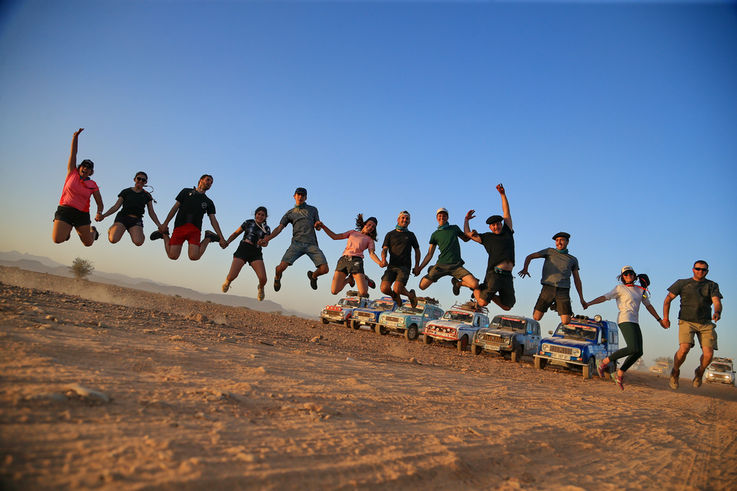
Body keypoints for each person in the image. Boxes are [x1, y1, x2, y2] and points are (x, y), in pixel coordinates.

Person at [584, 266, 666, 390]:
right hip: (624, 319)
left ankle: (620, 373)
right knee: (632, 347)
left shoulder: (641, 290)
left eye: (631, 273)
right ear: (622, 277)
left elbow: (648, 305)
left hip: (635, 321)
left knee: (639, 351)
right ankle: (604, 362)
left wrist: (659, 319)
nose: (628, 275)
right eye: (626, 274)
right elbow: (605, 297)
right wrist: (589, 303)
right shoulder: (619, 288)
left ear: (634, 275)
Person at [662, 260, 723, 390]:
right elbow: (667, 300)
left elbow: (716, 301)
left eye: (703, 270)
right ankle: (675, 371)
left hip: (705, 323)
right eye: (698, 269)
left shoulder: (712, 285)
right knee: (684, 348)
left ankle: (699, 372)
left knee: (708, 354)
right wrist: (665, 318)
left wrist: (717, 312)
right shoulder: (682, 283)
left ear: (707, 271)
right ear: (693, 269)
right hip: (686, 321)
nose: (700, 271)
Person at [259, 187, 328, 292]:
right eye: (298, 194)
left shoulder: (313, 210)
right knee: (280, 268)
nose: (300, 196)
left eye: (302, 195)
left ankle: (313, 276)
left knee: (324, 269)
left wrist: (318, 225)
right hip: (297, 244)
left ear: (305, 197)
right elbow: (279, 228)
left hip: (311, 244)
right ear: (294, 196)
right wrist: (267, 238)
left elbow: (317, 227)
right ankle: (277, 277)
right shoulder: (290, 213)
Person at [149, 174, 226, 260]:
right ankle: (164, 234)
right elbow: (174, 208)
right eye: (208, 180)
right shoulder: (185, 192)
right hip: (180, 226)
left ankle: (209, 237)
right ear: (201, 180)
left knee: (194, 256)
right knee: (172, 256)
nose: (209, 183)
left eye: (211, 182)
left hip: (194, 230)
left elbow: (213, 220)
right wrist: (165, 224)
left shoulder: (208, 202)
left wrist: (221, 238)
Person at [464, 183, 515, 310]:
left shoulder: (508, 230)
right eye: (493, 225)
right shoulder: (487, 237)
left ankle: (483, 290)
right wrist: (466, 220)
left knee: (508, 306)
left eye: (498, 224)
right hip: (494, 274)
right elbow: (468, 234)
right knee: (482, 303)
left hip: (508, 276)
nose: (496, 227)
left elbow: (506, 211)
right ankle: (475, 287)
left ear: (501, 224)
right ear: (490, 227)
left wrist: (503, 195)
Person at [518, 232, 584, 325]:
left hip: (563, 290)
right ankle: (554, 304)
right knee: (536, 317)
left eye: (562, 240)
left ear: (567, 242)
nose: (559, 242)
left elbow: (577, 279)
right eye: (557, 240)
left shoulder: (572, 260)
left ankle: (558, 304)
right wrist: (525, 268)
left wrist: (581, 298)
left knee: (566, 321)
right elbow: (530, 257)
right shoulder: (549, 251)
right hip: (548, 288)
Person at [52, 128, 103, 246]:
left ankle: (93, 232)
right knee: (57, 239)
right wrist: (75, 138)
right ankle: (66, 231)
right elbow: (73, 153)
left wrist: (99, 212)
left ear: (91, 172)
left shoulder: (93, 185)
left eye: (89, 168)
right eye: (84, 166)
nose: (86, 168)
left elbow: (100, 203)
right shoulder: (72, 173)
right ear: (80, 167)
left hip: (82, 214)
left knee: (88, 243)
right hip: (65, 210)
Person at [415, 208, 479, 295]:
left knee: (475, 284)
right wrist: (420, 268)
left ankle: (458, 283)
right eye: (440, 216)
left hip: (456, 265)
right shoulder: (435, 235)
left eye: (444, 216)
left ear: (447, 218)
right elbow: (429, 254)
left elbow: (466, 239)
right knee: (422, 286)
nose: (442, 217)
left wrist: (468, 223)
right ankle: (432, 269)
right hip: (441, 266)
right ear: (437, 218)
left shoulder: (454, 228)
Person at [317, 214, 383, 298]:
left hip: (356, 261)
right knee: (334, 291)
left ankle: (365, 279)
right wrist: (323, 226)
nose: (370, 227)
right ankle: (349, 279)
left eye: (373, 227)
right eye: (369, 224)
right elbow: (335, 236)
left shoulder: (370, 240)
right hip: (344, 260)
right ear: (364, 223)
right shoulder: (352, 232)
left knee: (363, 293)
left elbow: (372, 254)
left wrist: (379, 262)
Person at [97, 171, 163, 246]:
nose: (141, 181)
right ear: (134, 179)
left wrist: (159, 225)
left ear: (145, 182)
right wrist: (104, 215)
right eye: (139, 178)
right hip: (122, 218)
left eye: (143, 180)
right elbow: (116, 206)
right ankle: (112, 229)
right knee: (113, 239)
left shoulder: (147, 195)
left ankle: (139, 232)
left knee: (138, 242)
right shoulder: (126, 191)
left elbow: (151, 212)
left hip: (136, 220)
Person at [221, 206, 271, 301]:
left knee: (263, 278)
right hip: (243, 248)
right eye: (258, 214)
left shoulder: (266, 229)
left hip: (255, 252)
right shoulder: (248, 222)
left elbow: (266, 243)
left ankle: (260, 288)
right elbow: (236, 233)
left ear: (265, 217)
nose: (260, 216)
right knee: (232, 275)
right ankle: (227, 282)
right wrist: (227, 242)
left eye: (262, 215)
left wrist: (262, 242)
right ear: (255, 214)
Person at [379, 211, 420, 307]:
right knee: (384, 288)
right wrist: (383, 259)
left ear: (409, 222)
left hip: (404, 266)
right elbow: (384, 249)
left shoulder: (411, 235)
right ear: (398, 219)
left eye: (407, 219)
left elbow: (417, 251)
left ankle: (411, 295)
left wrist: (417, 266)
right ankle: (395, 296)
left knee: (397, 288)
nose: (405, 220)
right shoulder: (390, 234)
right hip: (392, 266)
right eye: (403, 218)